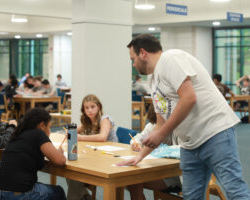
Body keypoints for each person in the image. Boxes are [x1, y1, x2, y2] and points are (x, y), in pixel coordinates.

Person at [118, 34, 250, 199]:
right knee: (191, 196)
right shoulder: (154, 81)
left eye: (133, 59)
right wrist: (139, 156)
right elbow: (160, 125)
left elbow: (189, 98)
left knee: (234, 190)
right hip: (189, 144)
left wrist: (161, 132)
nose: (134, 64)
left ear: (143, 53)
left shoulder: (170, 59)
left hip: (214, 132)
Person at [0, 108, 67, 200]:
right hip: (18, 193)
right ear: (42, 125)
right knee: (58, 192)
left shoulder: (18, 133)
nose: (49, 131)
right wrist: (59, 152)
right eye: (49, 127)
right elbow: (60, 161)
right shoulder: (39, 134)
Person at [67, 94, 118, 200]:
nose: (90, 110)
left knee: (74, 174)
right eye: (86, 108)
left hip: (109, 159)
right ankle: (83, 195)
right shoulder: (87, 121)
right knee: (71, 172)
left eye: (92, 107)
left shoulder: (105, 119)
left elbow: (102, 137)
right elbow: (74, 132)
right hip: (96, 157)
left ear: (98, 107)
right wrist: (69, 132)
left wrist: (80, 137)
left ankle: (81, 196)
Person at [128, 103, 181, 200]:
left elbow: (182, 150)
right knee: (132, 181)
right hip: (156, 169)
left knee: (135, 182)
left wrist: (162, 151)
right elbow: (138, 137)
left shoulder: (178, 130)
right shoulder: (152, 126)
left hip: (175, 175)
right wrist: (135, 144)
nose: (158, 128)